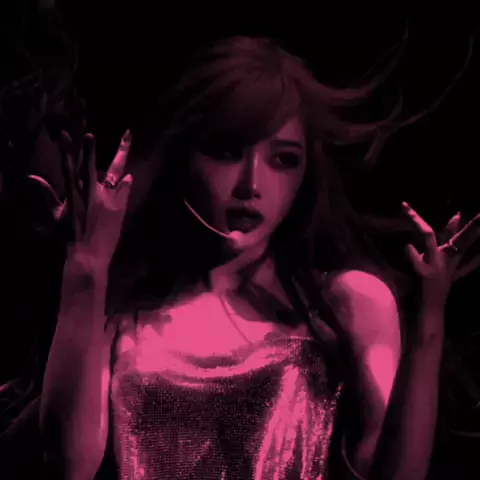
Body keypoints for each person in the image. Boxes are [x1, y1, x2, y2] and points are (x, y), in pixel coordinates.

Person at [35, 35, 480, 480]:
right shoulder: (121, 313)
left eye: (283, 160)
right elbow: (67, 465)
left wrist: (428, 323)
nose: (251, 184)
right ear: (183, 155)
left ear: (306, 174)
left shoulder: (346, 301)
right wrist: (85, 269)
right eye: (227, 152)